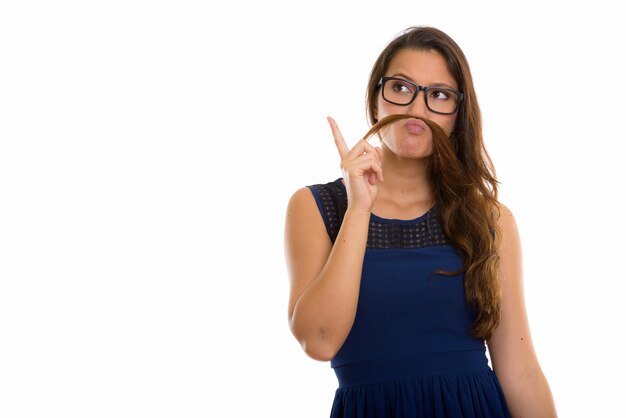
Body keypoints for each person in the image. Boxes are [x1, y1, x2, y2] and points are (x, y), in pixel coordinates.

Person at [284, 26, 557, 417]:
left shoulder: (489, 219)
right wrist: (359, 209)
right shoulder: (317, 207)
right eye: (401, 87)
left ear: (458, 114)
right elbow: (319, 340)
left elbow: (521, 371)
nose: (417, 108)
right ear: (375, 98)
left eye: (439, 95)